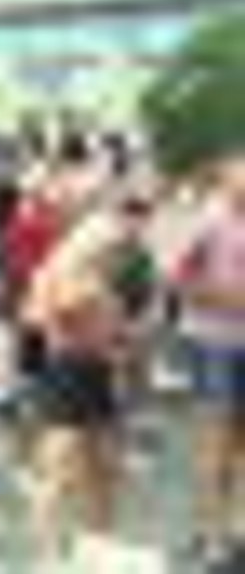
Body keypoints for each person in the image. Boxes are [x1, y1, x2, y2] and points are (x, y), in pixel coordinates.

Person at [22, 210, 141, 564]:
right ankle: (50, 554)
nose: (116, 255)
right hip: (68, 371)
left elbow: (115, 325)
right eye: (112, 247)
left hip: (98, 370)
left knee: (104, 469)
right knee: (61, 470)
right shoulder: (59, 272)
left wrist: (121, 338)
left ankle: (100, 546)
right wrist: (72, 310)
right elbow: (37, 318)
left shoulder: (100, 275)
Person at [174, 155, 245, 567]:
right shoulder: (206, 219)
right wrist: (225, 300)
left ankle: (235, 530)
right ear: (225, 179)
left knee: (239, 442)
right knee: (217, 439)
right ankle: (212, 535)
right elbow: (176, 277)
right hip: (216, 342)